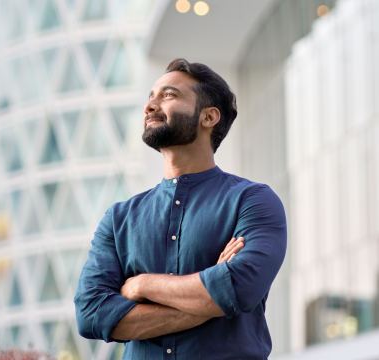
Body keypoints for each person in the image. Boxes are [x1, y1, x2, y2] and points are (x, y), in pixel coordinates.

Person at [74, 58, 287, 359]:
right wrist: (209, 296)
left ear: (209, 117)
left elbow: (240, 288)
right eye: (151, 96)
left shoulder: (253, 201)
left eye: (169, 95)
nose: (150, 106)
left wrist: (142, 285)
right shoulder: (119, 218)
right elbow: (91, 313)